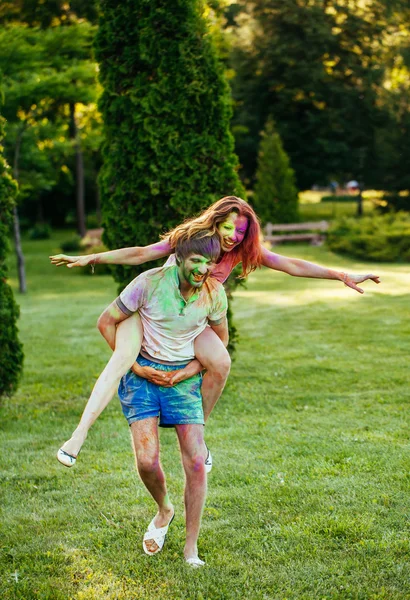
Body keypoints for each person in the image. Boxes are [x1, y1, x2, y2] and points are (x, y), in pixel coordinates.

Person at [51, 196, 380, 465]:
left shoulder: (240, 252)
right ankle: (77, 437)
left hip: (192, 318)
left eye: (241, 231)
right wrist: (90, 258)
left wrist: (340, 274)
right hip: (154, 310)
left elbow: (291, 265)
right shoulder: (190, 239)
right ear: (217, 220)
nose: (234, 235)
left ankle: (197, 433)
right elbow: (140, 254)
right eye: (230, 227)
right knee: (122, 358)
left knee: (221, 362)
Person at [98, 231, 228, 567]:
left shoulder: (214, 294)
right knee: (146, 461)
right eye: (196, 261)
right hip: (141, 380)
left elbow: (220, 339)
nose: (203, 270)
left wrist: (190, 370)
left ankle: (191, 548)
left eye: (210, 263)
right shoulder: (149, 282)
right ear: (180, 258)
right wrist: (136, 366)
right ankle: (164, 508)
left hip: (182, 380)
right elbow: (106, 322)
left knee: (197, 462)